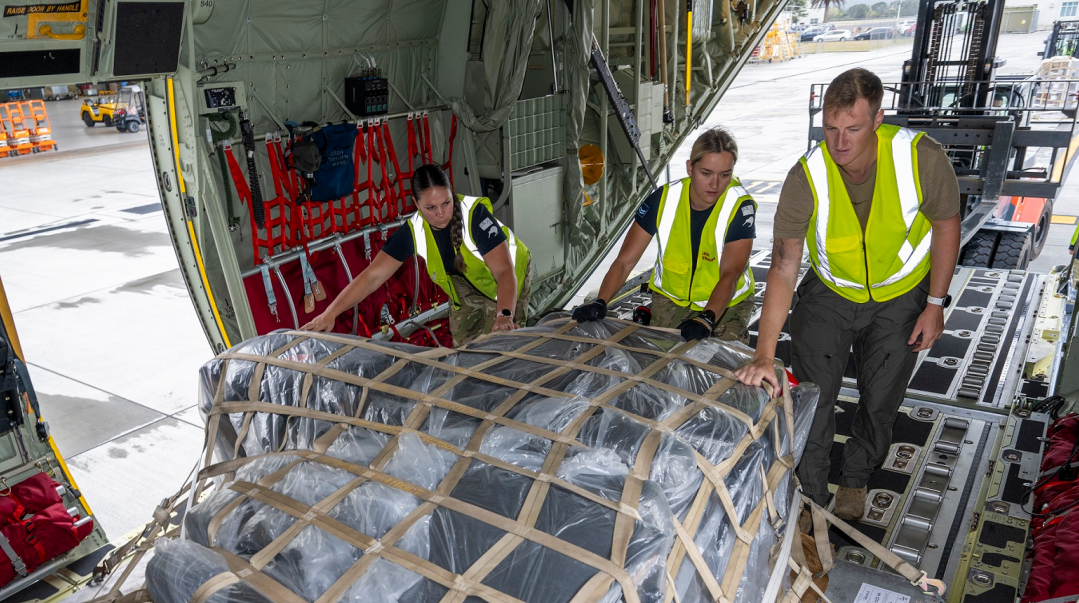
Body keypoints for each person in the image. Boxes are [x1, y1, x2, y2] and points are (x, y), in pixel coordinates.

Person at [735, 68, 962, 521]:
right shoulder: (808, 175)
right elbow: (783, 264)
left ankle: (856, 477)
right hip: (831, 290)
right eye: (830, 128)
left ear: (878, 119)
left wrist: (935, 304)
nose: (839, 143)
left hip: (900, 294)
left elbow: (945, 226)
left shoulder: (920, 158)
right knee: (814, 397)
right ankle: (812, 494)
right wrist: (764, 354)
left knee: (880, 399)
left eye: (853, 129)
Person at [303, 164, 530, 345]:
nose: (441, 214)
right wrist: (330, 313)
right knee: (465, 348)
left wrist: (504, 315)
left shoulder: (475, 216)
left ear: (452, 194)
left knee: (498, 346)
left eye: (446, 203)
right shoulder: (412, 231)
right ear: (416, 204)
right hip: (464, 281)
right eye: (431, 208)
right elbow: (372, 276)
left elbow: (504, 272)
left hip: (506, 277)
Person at [572, 127, 757, 343]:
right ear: (690, 168)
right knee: (661, 358)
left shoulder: (739, 205)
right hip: (671, 300)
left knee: (719, 359)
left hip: (726, 304)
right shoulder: (664, 199)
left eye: (725, 175)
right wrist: (601, 300)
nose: (715, 184)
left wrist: (707, 318)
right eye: (706, 173)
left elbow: (730, 274)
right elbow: (625, 261)